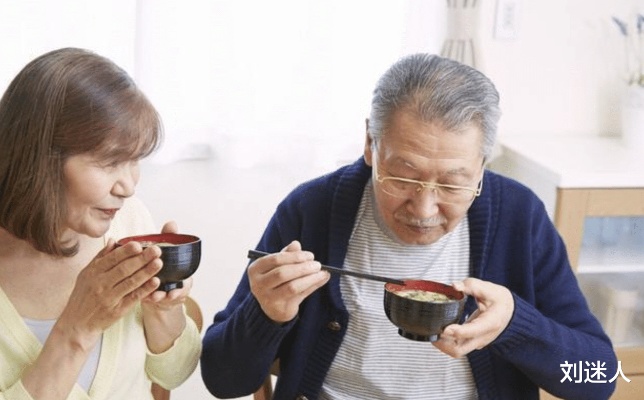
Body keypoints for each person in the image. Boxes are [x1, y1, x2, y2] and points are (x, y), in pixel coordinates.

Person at [200, 54, 617, 400]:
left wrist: (515, 327)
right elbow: (222, 380)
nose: (424, 208)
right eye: (403, 177)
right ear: (370, 144)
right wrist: (267, 314)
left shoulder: (519, 216)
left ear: (482, 167)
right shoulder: (313, 209)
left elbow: (600, 379)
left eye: (453, 183)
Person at [0, 48, 201, 400]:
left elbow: (173, 372)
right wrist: (76, 328)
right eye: (110, 162)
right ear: (40, 158)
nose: (128, 186)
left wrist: (162, 309)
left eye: (134, 160)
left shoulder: (128, 222)